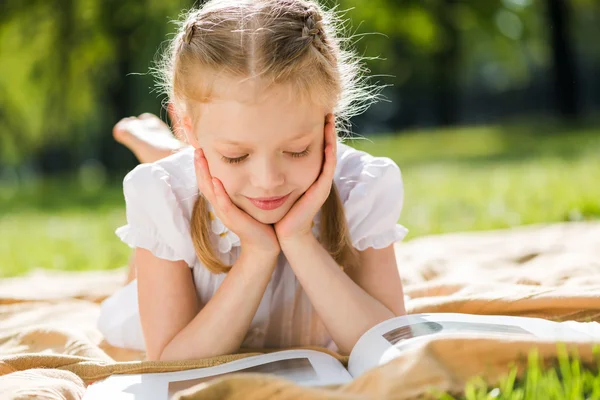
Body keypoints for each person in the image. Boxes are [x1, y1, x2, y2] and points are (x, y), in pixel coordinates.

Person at [97, 0, 409, 361]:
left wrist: (299, 239)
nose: (267, 182)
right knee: (172, 199)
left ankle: (184, 153)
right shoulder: (164, 197)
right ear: (188, 126)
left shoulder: (362, 188)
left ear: (330, 121)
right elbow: (170, 362)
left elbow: (390, 346)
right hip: (184, 184)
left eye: (296, 150)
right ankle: (165, 152)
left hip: (203, 163)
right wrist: (258, 254)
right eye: (236, 156)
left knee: (205, 174)